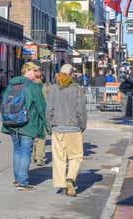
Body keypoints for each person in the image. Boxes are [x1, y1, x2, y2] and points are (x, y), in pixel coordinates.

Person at [1, 62, 49, 192]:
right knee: (25, 152)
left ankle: (17, 179)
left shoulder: (12, 84)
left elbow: (3, 103)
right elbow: (41, 107)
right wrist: (47, 125)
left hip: (12, 123)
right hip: (28, 124)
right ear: (29, 71)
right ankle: (22, 181)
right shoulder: (32, 86)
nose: (38, 74)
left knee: (17, 151)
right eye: (36, 71)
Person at [46, 64, 87, 197]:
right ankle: (70, 178)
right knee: (76, 156)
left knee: (59, 157)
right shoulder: (77, 89)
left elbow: (49, 110)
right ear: (71, 75)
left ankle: (61, 183)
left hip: (57, 127)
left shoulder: (52, 89)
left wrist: (50, 125)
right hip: (73, 127)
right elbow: (81, 110)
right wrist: (82, 125)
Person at [31, 68, 48, 167]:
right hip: (42, 115)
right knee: (41, 136)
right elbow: (47, 102)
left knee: (32, 136)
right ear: (41, 77)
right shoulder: (45, 87)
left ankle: (32, 156)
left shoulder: (29, 87)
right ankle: (39, 158)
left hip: (32, 115)